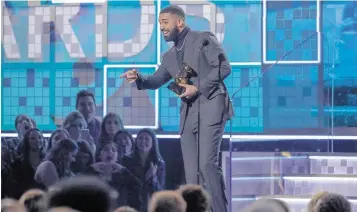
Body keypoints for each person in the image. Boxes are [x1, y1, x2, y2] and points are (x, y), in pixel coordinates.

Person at [120, 6, 233, 212]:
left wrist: (197, 87)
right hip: (189, 113)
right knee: (192, 173)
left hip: (211, 106)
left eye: (165, 22)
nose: (161, 27)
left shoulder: (202, 38)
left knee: (207, 165)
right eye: (160, 23)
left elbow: (224, 67)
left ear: (179, 22)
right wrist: (140, 78)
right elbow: (156, 80)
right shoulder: (169, 56)